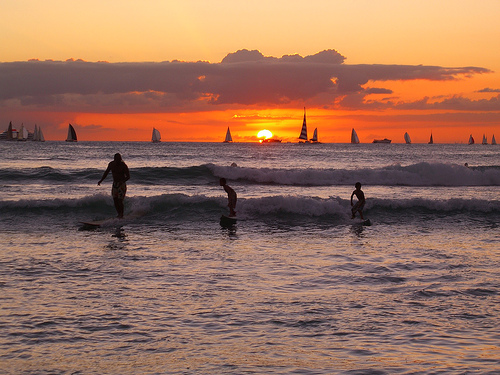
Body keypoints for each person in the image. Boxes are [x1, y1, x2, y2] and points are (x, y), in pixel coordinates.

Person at [98, 153, 130, 218]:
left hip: (121, 185)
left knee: (120, 200)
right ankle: (118, 214)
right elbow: (106, 172)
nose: (117, 161)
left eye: (119, 159)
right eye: (116, 159)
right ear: (114, 159)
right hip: (115, 184)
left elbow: (128, 176)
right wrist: (101, 180)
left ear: (120, 159)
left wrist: (122, 181)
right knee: (115, 199)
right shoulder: (111, 164)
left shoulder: (123, 165)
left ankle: (121, 214)